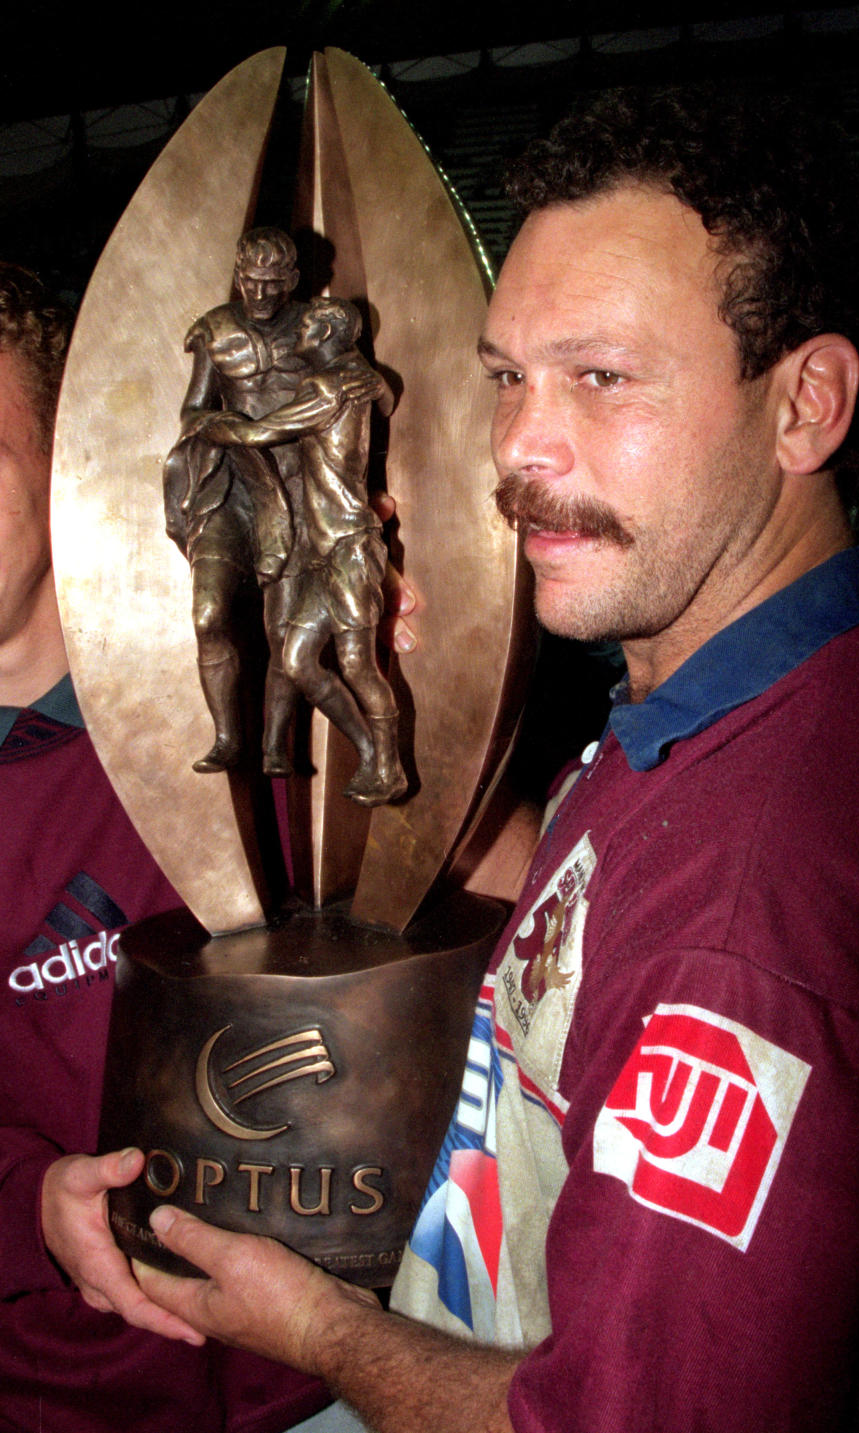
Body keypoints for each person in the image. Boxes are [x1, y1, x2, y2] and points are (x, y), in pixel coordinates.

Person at [132, 87, 859, 1432]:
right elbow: (588, 926)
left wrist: (321, 1330)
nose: (520, 442)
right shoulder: (731, 699)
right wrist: (424, 728)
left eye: (601, 377)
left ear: (804, 405)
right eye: (508, 375)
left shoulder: (762, 904)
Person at [0, 261, 332, 1431]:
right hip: (67, 1392)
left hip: (326, 1364)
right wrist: (33, 1203)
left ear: (60, 465)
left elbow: (473, 896)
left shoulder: (242, 702)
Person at [186, 296, 406, 805]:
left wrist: (207, 424)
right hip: (327, 549)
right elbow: (386, 397)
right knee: (298, 658)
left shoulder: (326, 386)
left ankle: (387, 765)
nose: (297, 336)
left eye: (306, 328)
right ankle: (371, 751)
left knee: (356, 665)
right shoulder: (357, 377)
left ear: (327, 332)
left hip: (349, 545)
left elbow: (260, 432)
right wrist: (381, 383)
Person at [164, 226, 310, 776]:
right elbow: (192, 409)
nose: (261, 294)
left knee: (284, 632)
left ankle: (275, 742)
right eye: (251, 282)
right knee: (207, 615)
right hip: (230, 487)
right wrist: (223, 427)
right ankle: (227, 736)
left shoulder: (315, 329)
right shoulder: (215, 330)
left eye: (274, 284)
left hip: (296, 492)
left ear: (293, 281)